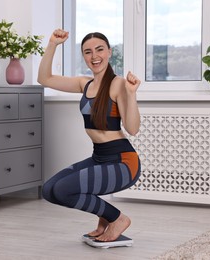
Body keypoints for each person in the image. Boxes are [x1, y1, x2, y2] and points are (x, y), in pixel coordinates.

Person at [37, 29, 141, 242]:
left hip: (123, 162)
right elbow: (44, 78)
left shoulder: (118, 84)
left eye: (100, 49)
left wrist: (131, 94)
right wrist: (52, 45)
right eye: (88, 52)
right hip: (99, 158)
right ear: (83, 56)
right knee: (49, 190)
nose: (95, 56)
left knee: (64, 190)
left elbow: (132, 128)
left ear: (110, 52)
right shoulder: (85, 84)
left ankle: (117, 219)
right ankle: (106, 217)